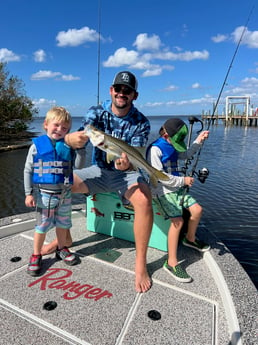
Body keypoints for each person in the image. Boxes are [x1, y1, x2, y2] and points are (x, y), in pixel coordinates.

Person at [63, 71, 153, 293]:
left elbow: (134, 158)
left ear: (134, 95)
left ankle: (140, 264)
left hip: (127, 174)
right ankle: (63, 240)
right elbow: (84, 134)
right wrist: (69, 140)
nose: (122, 93)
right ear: (111, 91)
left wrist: (129, 165)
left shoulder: (141, 122)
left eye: (127, 91)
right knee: (61, 182)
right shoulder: (96, 111)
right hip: (99, 170)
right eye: (118, 89)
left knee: (143, 200)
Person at [146, 118, 210, 283]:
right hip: (162, 192)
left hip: (177, 189)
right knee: (178, 221)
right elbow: (160, 177)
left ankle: (189, 238)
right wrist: (183, 181)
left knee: (197, 210)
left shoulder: (173, 145)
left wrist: (198, 140)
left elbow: (186, 154)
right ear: (166, 134)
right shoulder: (155, 150)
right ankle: (171, 262)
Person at [24, 106, 86, 276]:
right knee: (42, 226)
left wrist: (81, 149)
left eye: (65, 128)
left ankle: (61, 248)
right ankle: (36, 254)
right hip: (45, 195)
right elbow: (28, 170)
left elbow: (79, 166)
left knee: (62, 224)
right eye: (56, 125)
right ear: (46, 124)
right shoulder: (36, 146)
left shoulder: (68, 147)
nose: (60, 130)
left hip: (65, 194)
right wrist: (28, 193)